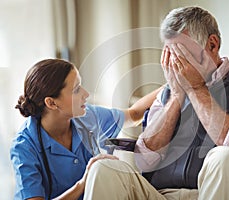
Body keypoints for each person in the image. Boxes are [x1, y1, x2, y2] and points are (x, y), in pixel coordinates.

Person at [82, 6, 229, 200]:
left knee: (224, 156)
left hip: (212, 193)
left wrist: (196, 89)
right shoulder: (168, 92)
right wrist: (176, 96)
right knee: (103, 168)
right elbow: (145, 162)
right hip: (159, 194)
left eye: (181, 52)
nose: (174, 62)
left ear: (212, 45)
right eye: (169, 53)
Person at [10, 58, 161, 200]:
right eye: (76, 90)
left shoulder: (87, 117)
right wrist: (82, 184)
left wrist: (172, 85)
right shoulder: (24, 146)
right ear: (51, 103)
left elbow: (134, 115)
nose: (85, 94)